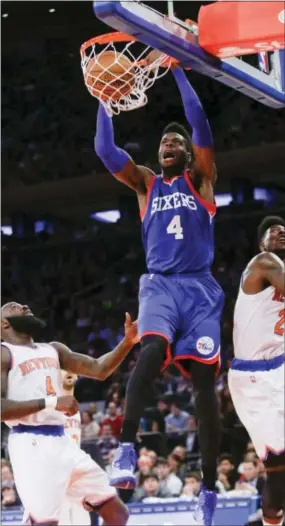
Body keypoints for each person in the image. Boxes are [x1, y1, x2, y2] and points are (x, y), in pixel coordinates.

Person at [95, 65, 224, 525]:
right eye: (164, 142)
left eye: (177, 143)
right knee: (150, 350)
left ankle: (208, 489)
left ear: (189, 155)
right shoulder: (146, 183)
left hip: (201, 288)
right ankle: (126, 449)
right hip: (161, 284)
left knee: (206, 392)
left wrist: (179, 72)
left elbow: (201, 123)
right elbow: (105, 149)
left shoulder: (202, 180)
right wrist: (103, 100)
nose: (169, 145)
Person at [1, 302, 139, 526]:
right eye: (15, 306)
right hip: (30, 443)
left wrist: (127, 342)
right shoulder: (5, 353)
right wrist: (52, 402)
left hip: (62, 442)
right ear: (3, 322)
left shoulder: (53, 349)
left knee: (118, 514)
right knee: (45, 523)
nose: (25, 306)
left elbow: (98, 369)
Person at [228, 216, 285, 526]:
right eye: (272, 232)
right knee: (277, 465)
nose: (280, 233)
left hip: (280, 367)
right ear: (261, 243)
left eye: (284, 231)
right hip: (252, 378)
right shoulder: (263, 263)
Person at [59, 371, 91, 526]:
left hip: (76, 468)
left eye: (72, 370)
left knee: (81, 516)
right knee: (61, 516)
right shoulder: (53, 405)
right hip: (57, 469)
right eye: (64, 370)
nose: (69, 373)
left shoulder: (77, 410)